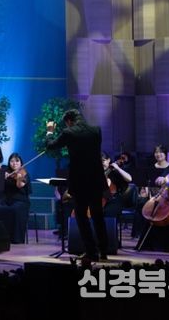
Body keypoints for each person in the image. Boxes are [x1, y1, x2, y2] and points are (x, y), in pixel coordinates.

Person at [45, 109, 109, 261]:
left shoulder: (69, 133)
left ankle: (92, 252)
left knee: (81, 216)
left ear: (69, 121)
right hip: (96, 179)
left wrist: (50, 132)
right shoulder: (96, 130)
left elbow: (51, 146)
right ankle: (104, 251)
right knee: (98, 215)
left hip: (80, 180)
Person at [0, 153, 32, 244]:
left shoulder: (23, 173)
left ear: (21, 163)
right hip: (7, 199)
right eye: (12, 161)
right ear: (9, 163)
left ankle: (15, 238)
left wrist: (19, 178)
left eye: (17, 161)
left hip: (21, 201)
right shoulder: (7, 172)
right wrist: (1, 177)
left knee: (15, 210)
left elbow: (19, 185)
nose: (14, 163)